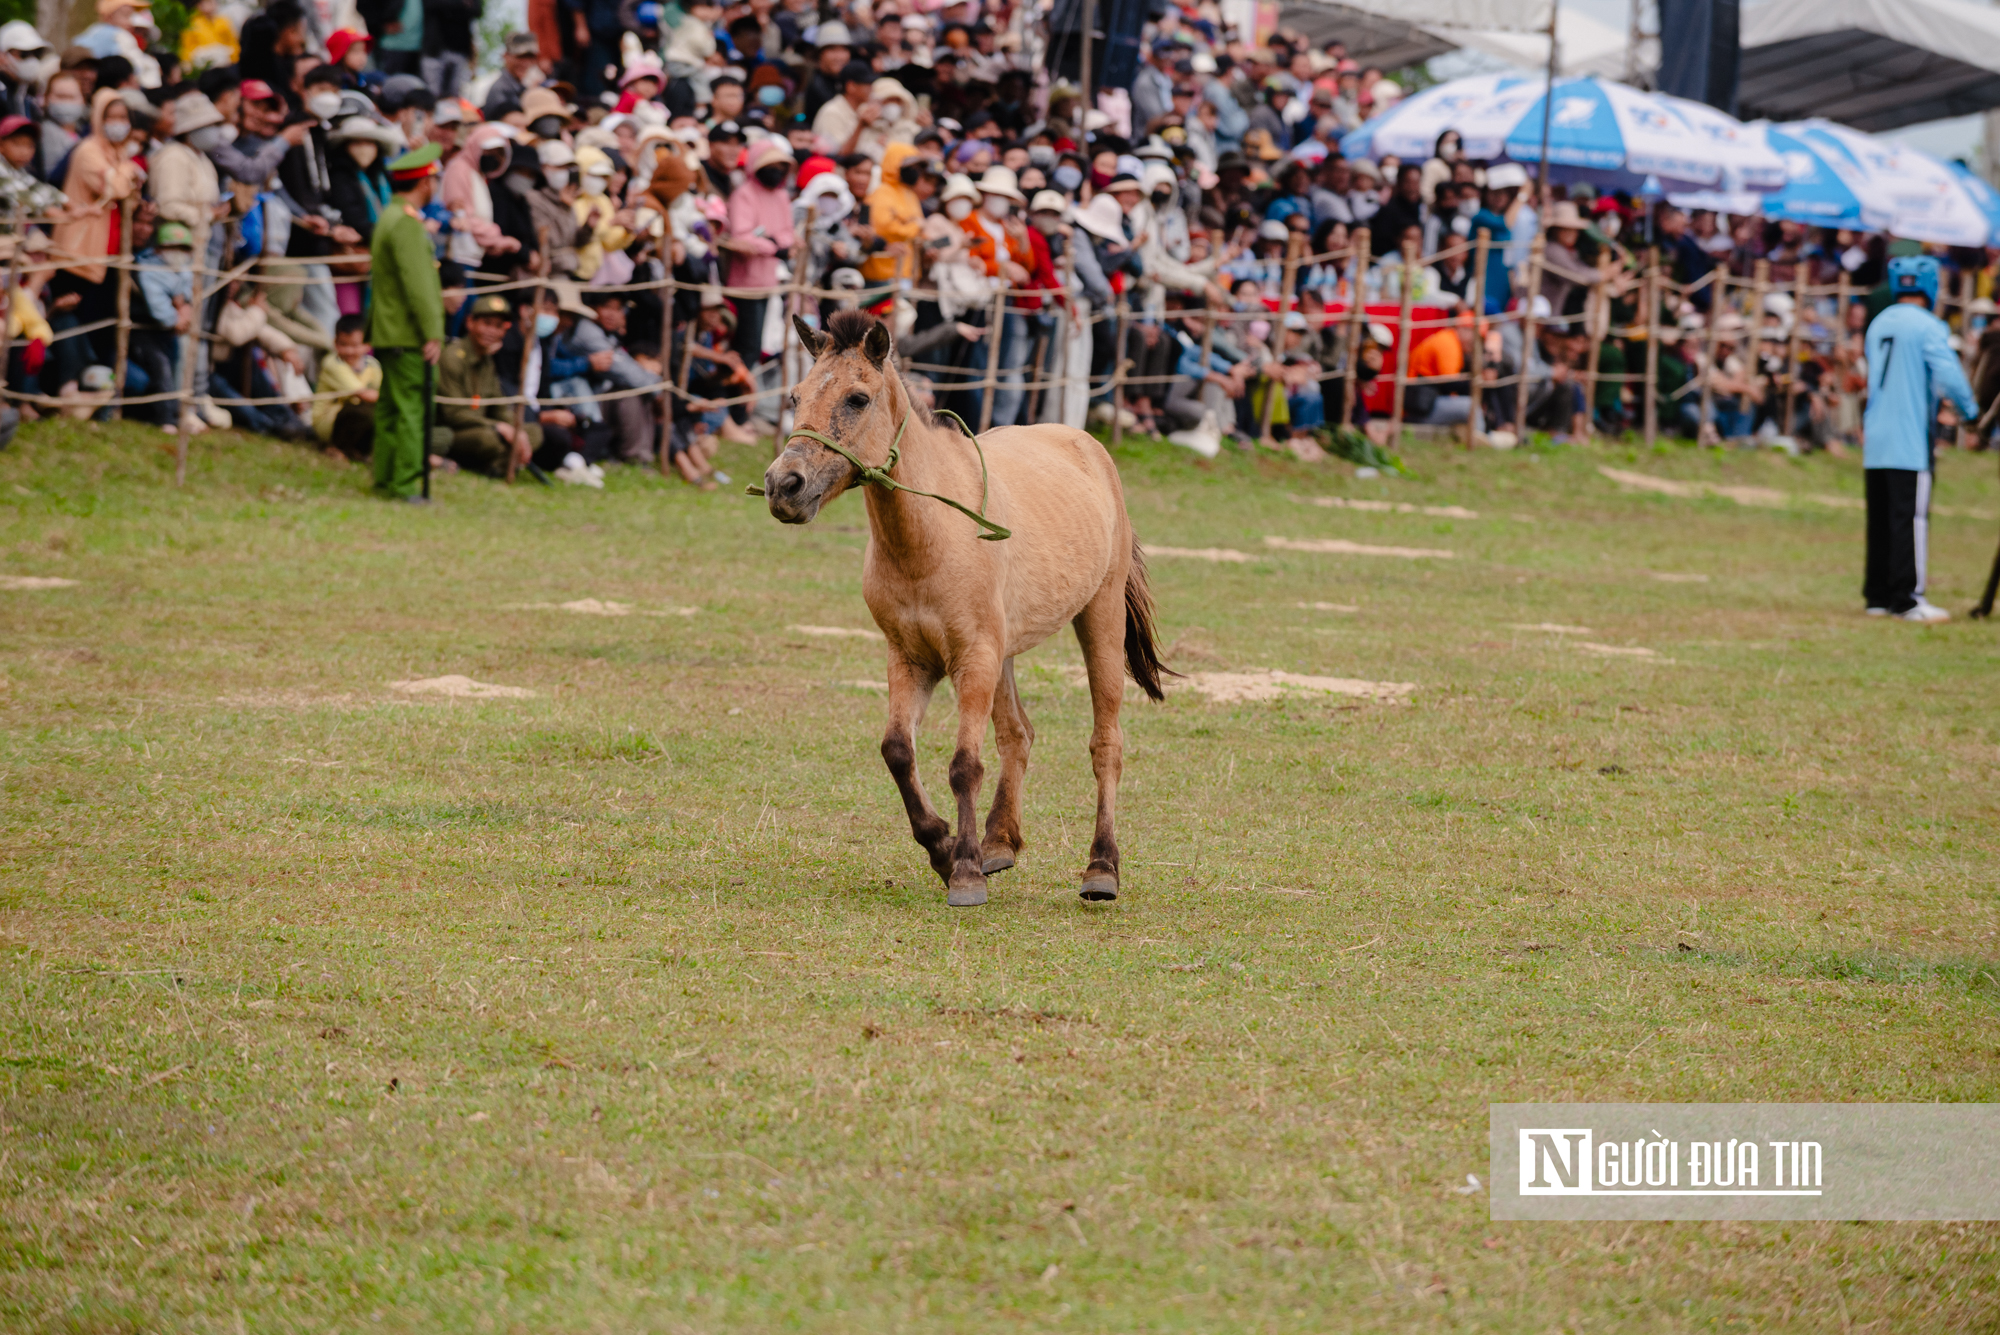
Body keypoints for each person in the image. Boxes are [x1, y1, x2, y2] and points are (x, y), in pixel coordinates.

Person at [1862, 256, 1976, 623]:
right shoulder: (1930, 326)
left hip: (1875, 437)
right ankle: (1909, 599)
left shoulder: (1878, 323)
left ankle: (1877, 596)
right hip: (1909, 439)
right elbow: (1950, 375)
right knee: (1910, 519)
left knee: (1879, 518)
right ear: (1929, 286)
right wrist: (1971, 412)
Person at [367, 141, 446, 502]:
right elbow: (419, 285)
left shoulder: (389, 216)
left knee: (390, 408)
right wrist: (433, 331)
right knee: (412, 408)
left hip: (387, 330)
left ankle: (386, 476)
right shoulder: (408, 224)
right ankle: (404, 482)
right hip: (406, 332)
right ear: (425, 182)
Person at [438, 292, 541, 475]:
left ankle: (501, 463)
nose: (492, 332)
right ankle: (502, 464)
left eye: (499, 326)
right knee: (488, 439)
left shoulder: (486, 360)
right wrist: (498, 427)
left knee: (533, 432)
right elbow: (453, 414)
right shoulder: (453, 357)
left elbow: (499, 406)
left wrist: (515, 430)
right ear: (470, 323)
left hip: (485, 426)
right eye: (487, 324)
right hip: (457, 431)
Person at [316, 312, 380, 458]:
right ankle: (335, 446)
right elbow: (365, 394)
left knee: (372, 412)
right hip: (330, 422)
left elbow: (378, 392)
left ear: (367, 345)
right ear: (335, 343)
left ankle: (358, 450)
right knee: (365, 412)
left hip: (357, 416)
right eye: (343, 344)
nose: (349, 351)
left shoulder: (373, 366)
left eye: (355, 345)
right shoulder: (332, 364)